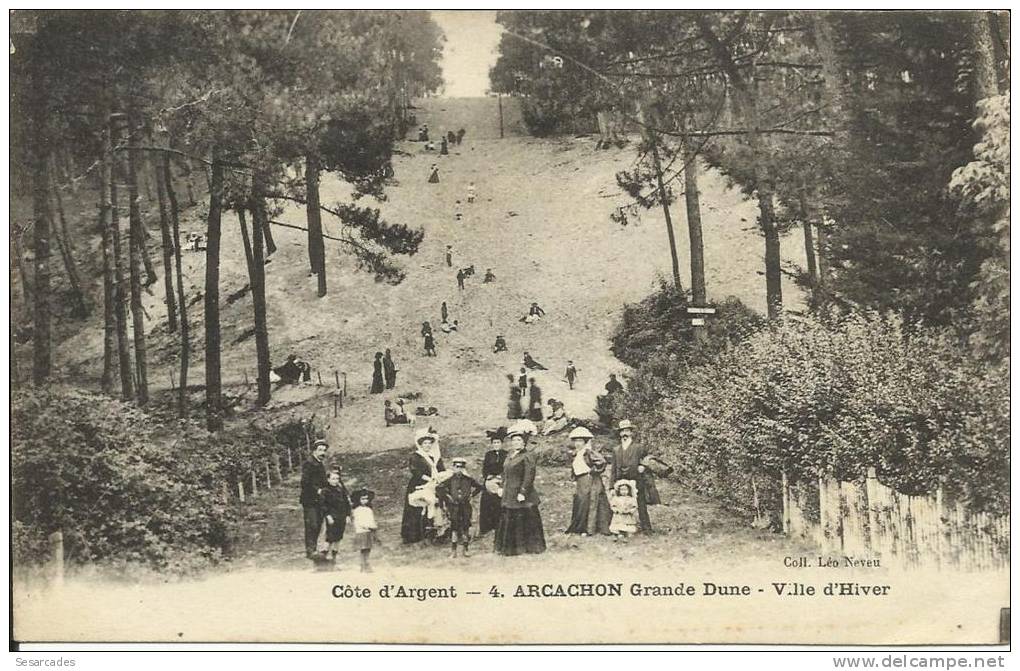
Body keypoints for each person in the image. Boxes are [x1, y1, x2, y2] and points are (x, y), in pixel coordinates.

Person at [494, 420, 546, 556]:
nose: (516, 442)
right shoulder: (510, 456)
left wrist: (523, 491)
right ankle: (509, 548)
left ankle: (529, 547)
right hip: (508, 493)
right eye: (514, 440)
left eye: (518, 440)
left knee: (524, 519)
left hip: (521, 494)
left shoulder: (527, 456)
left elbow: (529, 475)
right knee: (509, 519)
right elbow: (504, 473)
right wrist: (500, 487)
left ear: (523, 442)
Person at [610, 419, 660, 532]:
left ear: (631, 433)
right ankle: (620, 527)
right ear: (619, 434)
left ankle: (646, 528)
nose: (624, 434)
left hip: (637, 479)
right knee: (619, 504)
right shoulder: (616, 450)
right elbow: (613, 468)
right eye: (622, 431)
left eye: (627, 431)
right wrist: (611, 486)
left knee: (641, 504)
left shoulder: (639, 447)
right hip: (621, 481)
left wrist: (643, 465)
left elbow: (649, 458)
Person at [565, 427, 613, 536]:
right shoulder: (576, 454)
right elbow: (575, 468)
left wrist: (593, 471)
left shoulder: (589, 453)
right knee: (580, 502)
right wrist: (574, 477)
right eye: (576, 441)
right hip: (581, 481)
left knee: (590, 502)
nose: (578, 443)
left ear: (585, 442)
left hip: (590, 480)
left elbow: (602, 462)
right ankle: (580, 527)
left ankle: (589, 528)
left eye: (580, 441)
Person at [401, 429, 446, 545]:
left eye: (429, 443)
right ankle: (414, 535)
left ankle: (434, 531)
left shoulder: (435, 457)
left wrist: (439, 478)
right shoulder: (416, 456)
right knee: (418, 508)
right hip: (419, 484)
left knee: (435, 506)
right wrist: (429, 479)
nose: (427, 445)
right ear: (421, 444)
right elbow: (415, 471)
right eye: (425, 443)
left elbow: (441, 470)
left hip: (434, 484)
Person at [436, 457, 483, 557]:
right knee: (454, 528)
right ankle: (453, 551)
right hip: (454, 507)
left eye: (461, 467)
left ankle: (465, 549)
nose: (459, 469)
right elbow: (439, 489)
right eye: (457, 467)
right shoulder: (449, 480)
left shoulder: (468, 480)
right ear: (453, 467)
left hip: (466, 506)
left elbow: (479, 487)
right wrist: (447, 498)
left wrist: (471, 495)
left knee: (466, 527)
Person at [300, 439, 330, 559]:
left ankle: (314, 549)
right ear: (314, 451)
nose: (323, 453)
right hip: (310, 500)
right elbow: (305, 482)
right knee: (312, 524)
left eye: (324, 450)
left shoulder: (319, 462)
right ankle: (310, 550)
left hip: (319, 500)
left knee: (317, 524)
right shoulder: (309, 463)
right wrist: (317, 490)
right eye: (320, 450)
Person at [478, 427, 508, 536]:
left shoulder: (506, 454)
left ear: (502, 443)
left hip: (501, 480)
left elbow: (507, 468)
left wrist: (501, 477)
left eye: (498, 442)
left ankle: (500, 525)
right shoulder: (488, 455)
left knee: (500, 501)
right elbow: (485, 469)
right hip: (490, 480)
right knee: (487, 500)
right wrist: (488, 476)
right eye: (494, 443)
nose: (496, 444)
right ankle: (487, 527)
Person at [320, 468, 352, 564]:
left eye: (337, 479)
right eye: (333, 479)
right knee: (330, 537)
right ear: (328, 480)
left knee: (338, 538)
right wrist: (328, 515)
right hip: (332, 517)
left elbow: (346, 503)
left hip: (341, 516)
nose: (335, 481)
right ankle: (323, 558)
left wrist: (347, 515)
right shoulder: (325, 491)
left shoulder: (341, 490)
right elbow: (323, 505)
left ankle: (334, 558)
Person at [350, 488, 378, 572]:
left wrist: (373, 526)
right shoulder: (357, 510)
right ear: (358, 500)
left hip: (369, 531)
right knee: (363, 548)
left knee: (368, 548)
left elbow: (371, 519)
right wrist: (366, 526)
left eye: (366, 499)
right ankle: (363, 564)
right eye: (362, 499)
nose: (365, 501)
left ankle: (367, 562)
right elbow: (358, 521)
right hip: (362, 531)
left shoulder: (369, 509)